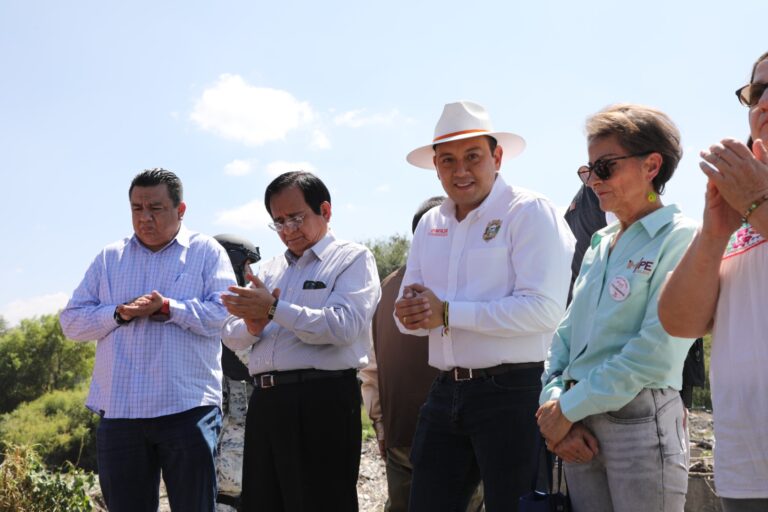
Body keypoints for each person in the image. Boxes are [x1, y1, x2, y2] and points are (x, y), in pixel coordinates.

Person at [394, 100, 575, 511]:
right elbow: (411, 313)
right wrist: (408, 317)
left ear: (497, 157)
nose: (460, 171)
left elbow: (544, 310)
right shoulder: (430, 223)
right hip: (445, 389)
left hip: (515, 391)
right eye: (448, 160)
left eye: (473, 157)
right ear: (436, 167)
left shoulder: (528, 212)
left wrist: (446, 313)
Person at [537, 104, 698, 512]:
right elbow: (565, 336)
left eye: (604, 167)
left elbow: (654, 351)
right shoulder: (599, 242)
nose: (592, 181)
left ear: (652, 166)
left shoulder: (681, 237)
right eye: (587, 169)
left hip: (638, 420)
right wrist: (553, 403)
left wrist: (567, 409)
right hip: (579, 425)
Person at [60, 168, 236, 512]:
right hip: (120, 413)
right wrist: (118, 313)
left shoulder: (206, 252)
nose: (145, 218)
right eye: (137, 209)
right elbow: (71, 322)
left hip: (187, 409)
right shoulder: (110, 257)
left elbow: (223, 314)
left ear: (180, 210)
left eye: (155, 208)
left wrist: (170, 308)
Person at [220, 170, 381, 512]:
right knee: (264, 502)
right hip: (266, 402)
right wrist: (253, 322)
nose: (288, 229)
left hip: (322, 399)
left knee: (322, 503)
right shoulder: (271, 270)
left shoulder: (352, 259)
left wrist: (275, 308)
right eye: (278, 222)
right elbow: (231, 335)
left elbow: (344, 327)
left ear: (325, 210)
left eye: (296, 217)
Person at [658, 51, 768, 512]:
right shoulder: (741, 207)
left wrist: (757, 202)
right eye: (757, 91)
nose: (764, 102)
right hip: (746, 466)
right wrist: (715, 231)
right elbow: (680, 322)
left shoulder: (754, 201)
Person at [359, 195, 484, 512]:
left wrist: (381, 426)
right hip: (460, 432)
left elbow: (371, 369)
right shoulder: (468, 280)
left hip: (402, 431)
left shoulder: (387, 288)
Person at [213, 234, 261, 512]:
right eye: (246, 267)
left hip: (245, 455)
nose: (251, 274)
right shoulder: (217, 311)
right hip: (225, 463)